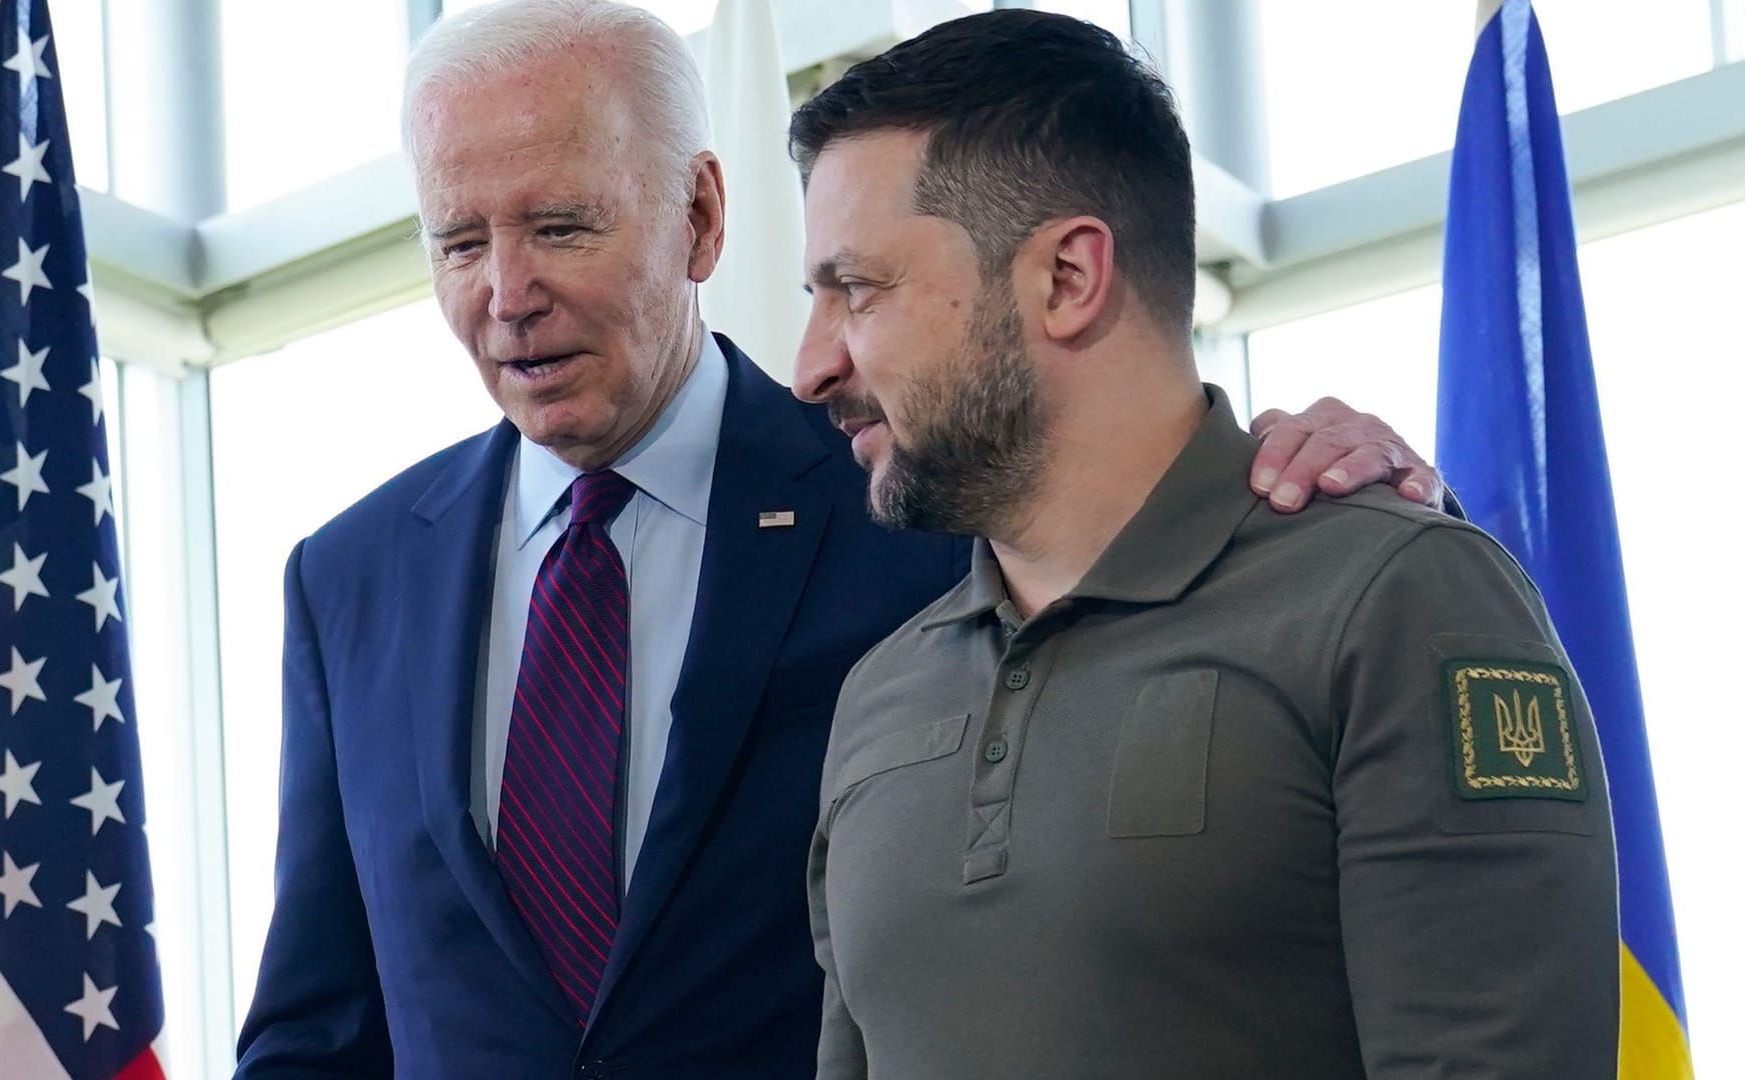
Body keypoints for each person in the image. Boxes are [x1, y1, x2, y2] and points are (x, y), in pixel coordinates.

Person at [235, 2, 1448, 1076]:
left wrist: (1314, 474)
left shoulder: (924, 496)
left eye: (560, 228)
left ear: (700, 218)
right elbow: (320, 1030)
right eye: (459, 243)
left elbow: (1139, 498)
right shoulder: (350, 578)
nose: (504, 294)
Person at [789, 10, 1619, 1080]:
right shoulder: (880, 690)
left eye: (855, 290)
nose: (810, 365)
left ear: (1067, 279)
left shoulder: (1395, 600)